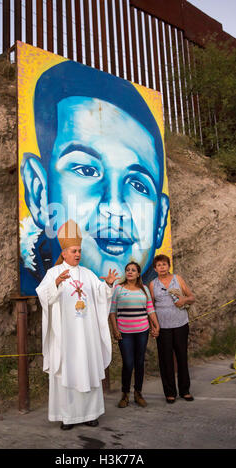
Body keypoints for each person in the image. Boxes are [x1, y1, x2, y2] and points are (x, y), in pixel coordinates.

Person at [19, 58, 170, 296]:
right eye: (87, 171)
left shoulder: (150, 290)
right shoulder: (46, 283)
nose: (114, 207)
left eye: (138, 184)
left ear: (160, 220)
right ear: (39, 192)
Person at [36, 219, 120, 430]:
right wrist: (55, 284)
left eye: (79, 251)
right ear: (64, 252)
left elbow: (101, 296)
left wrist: (108, 285)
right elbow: (44, 296)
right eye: (74, 251)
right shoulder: (53, 273)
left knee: (88, 369)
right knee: (68, 372)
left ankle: (90, 414)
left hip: (87, 334)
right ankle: (68, 416)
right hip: (66, 335)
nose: (77, 254)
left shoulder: (88, 274)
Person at [109, 262, 160, 408]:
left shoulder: (144, 289)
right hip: (125, 333)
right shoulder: (118, 289)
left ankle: (138, 393)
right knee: (128, 363)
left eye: (133, 270)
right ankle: (125, 394)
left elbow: (150, 309)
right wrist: (115, 329)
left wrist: (156, 325)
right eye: (128, 270)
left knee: (139, 363)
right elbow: (112, 311)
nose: (130, 272)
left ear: (138, 274)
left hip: (142, 331)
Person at [149, 254, 195, 404]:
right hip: (163, 327)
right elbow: (150, 307)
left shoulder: (178, 279)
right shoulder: (152, 284)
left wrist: (184, 300)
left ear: (169, 266)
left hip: (181, 324)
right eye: (159, 265)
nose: (162, 267)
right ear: (155, 269)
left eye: (164, 264)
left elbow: (191, 297)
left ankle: (185, 390)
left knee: (182, 357)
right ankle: (170, 392)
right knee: (165, 359)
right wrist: (153, 326)